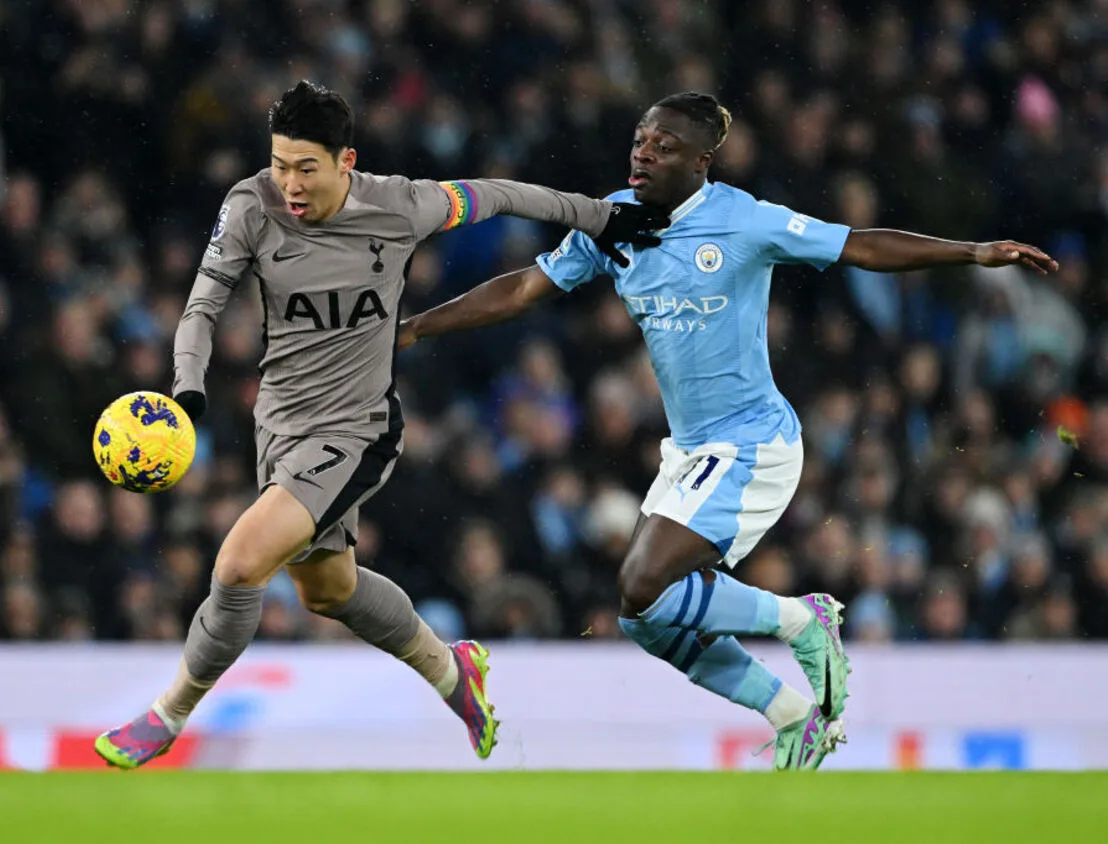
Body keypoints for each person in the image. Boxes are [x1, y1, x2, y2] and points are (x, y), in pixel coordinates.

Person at [398, 91, 1058, 770]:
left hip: (754, 443)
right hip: (689, 451)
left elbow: (858, 246)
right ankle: (792, 714)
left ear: (701, 163)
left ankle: (803, 621)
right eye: (639, 141)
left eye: (664, 147)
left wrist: (974, 252)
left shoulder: (742, 220)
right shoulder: (613, 221)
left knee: (643, 582)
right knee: (645, 619)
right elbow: (525, 287)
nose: (644, 154)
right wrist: (420, 325)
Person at [94, 80, 668, 769]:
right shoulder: (249, 206)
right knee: (327, 589)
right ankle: (454, 674)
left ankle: (169, 713)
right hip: (279, 425)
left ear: (346, 161)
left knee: (241, 562)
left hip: (358, 428)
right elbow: (201, 305)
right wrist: (187, 388)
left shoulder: (402, 204)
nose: (291, 184)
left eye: (307, 168)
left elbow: (505, 193)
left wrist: (601, 217)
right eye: (280, 164)